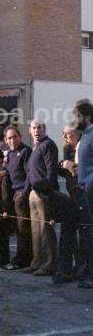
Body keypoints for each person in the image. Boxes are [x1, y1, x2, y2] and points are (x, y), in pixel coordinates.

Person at [23, 120, 58, 276]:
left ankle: (50, 265)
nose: (36, 130)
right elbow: (30, 173)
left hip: (44, 193)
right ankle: (37, 262)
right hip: (33, 193)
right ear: (30, 130)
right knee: (36, 230)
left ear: (44, 129)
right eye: (34, 128)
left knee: (46, 230)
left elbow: (51, 174)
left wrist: (43, 191)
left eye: (39, 128)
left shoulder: (48, 145)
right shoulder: (36, 147)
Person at [4, 126, 33, 270]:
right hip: (13, 194)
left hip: (22, 194)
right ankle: (21, 257)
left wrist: (25, 192)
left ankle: (23, 259)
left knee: (23, 229)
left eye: (14, 136)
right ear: (5, 140)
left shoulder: (26, 151)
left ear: (20, 137)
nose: (12, 140)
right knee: (17, 228)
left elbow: (29, 174)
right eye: (9, 138)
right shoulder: (9, 154)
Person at [74, 99, 93, 289]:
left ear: (86, 116)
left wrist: (89, 183)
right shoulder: (85, 135)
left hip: (90, 191)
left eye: (78, 116)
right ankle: (86, 273)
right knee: (86, 234)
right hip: (83, 190)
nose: (76, 119)